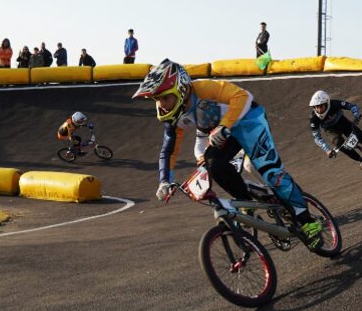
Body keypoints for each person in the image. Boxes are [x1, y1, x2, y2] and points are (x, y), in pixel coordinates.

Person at [132, 59, 324, 249]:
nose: (161, 104)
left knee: (270, 172)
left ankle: (307, 221)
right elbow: (168, 151)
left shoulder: (203, 89)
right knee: (212, 164)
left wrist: (224, 126)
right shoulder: (172, 117)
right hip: (225, 132)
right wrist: (164, 180)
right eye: (156, 99)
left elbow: (243, 96)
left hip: (250, 121)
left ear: (180, 89)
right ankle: (245, 201)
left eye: (164, 97)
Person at [308, 90, 362, 169]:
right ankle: (360, 160)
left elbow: (352, 106)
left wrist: (356, 115)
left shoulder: (334, 104)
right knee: (339, 145)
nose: (318, 109)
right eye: (316, 107)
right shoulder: (314, 118)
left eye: (320, 106)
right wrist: (327, 149)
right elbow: (317, 137)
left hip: (343, 123)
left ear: (327, 103)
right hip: (331, 131)